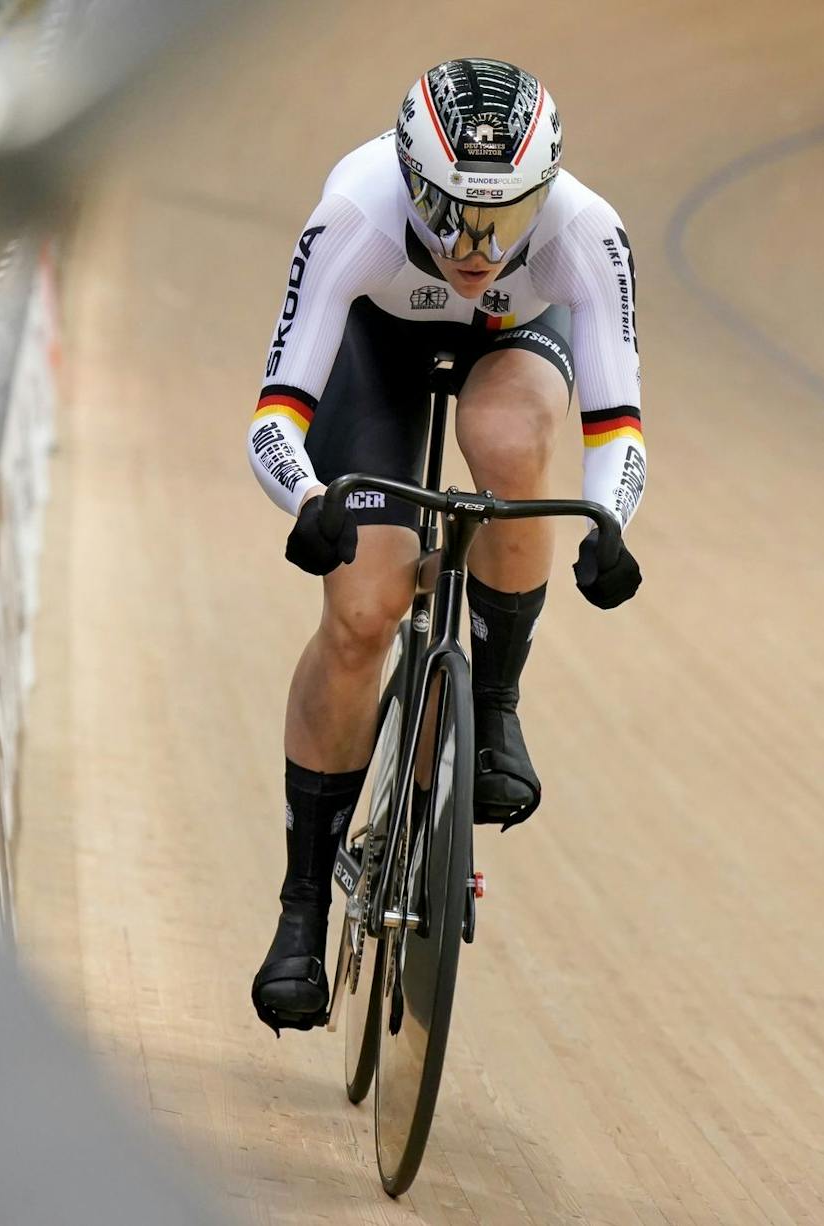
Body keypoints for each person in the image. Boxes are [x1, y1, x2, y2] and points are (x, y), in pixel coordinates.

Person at [246, 59, 645, 1034]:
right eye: (451, 215)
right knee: (360, 614)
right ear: (405, 180)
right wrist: (306, 500)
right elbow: (272, 417)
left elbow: (618, 427)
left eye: (503, 219)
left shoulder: (585, 230)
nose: (475, 247)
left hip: (511, 344)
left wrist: (609, 523)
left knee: (511, 448)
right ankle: (302, 903)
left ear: (542, 197)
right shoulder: (356, 210)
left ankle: (494, 704)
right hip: (374, 354)